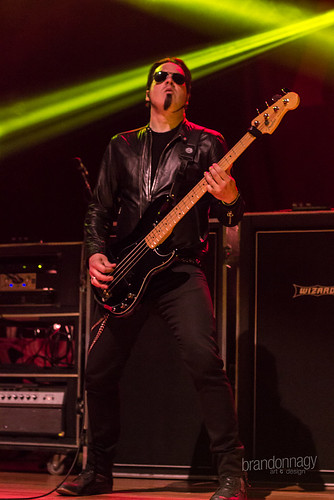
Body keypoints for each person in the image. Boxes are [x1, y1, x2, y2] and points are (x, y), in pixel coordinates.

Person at [57, 57, 247, 499]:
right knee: (98, 369)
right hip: (127, 274)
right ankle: (99, 472)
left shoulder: (207, 144)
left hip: (180, 270)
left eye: (178, 79)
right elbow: (99, 210)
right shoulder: (120, 145)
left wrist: (231, 194)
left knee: (205, 361)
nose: (168, 83)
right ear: (147, 91)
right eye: (160, 77)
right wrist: (97, 252)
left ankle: (233, 473)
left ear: (187, 94)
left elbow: (232, 214)